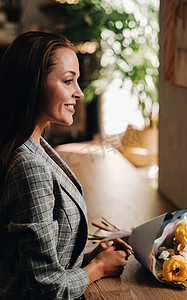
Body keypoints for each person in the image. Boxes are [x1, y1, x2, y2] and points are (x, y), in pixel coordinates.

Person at [0, 31, 132, 300]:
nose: (79, 93)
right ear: (33, 83)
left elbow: (34, 258)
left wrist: (85, 258)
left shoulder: (36, 145)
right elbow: (45, 288)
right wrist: (97, 268)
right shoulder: (29, 166)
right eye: (68, 81)